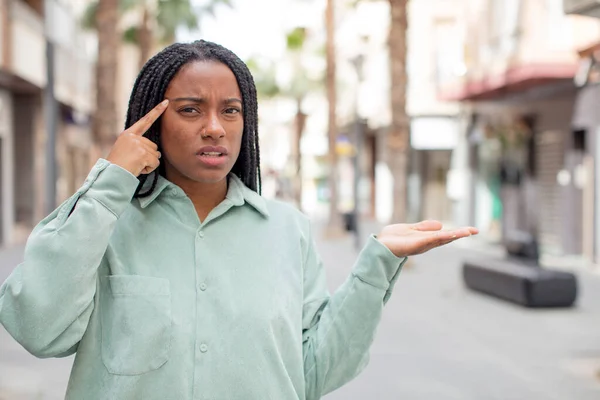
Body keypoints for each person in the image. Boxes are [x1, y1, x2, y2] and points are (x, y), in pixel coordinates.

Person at [0, 40, 477, 400]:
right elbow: (38, 329)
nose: (214, 126)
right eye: (190, 110)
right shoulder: (104, 222)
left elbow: (311, 374)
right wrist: (110, 182)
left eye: (231, 111)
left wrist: (377, 264)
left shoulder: (289, 231)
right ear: (151, 121)